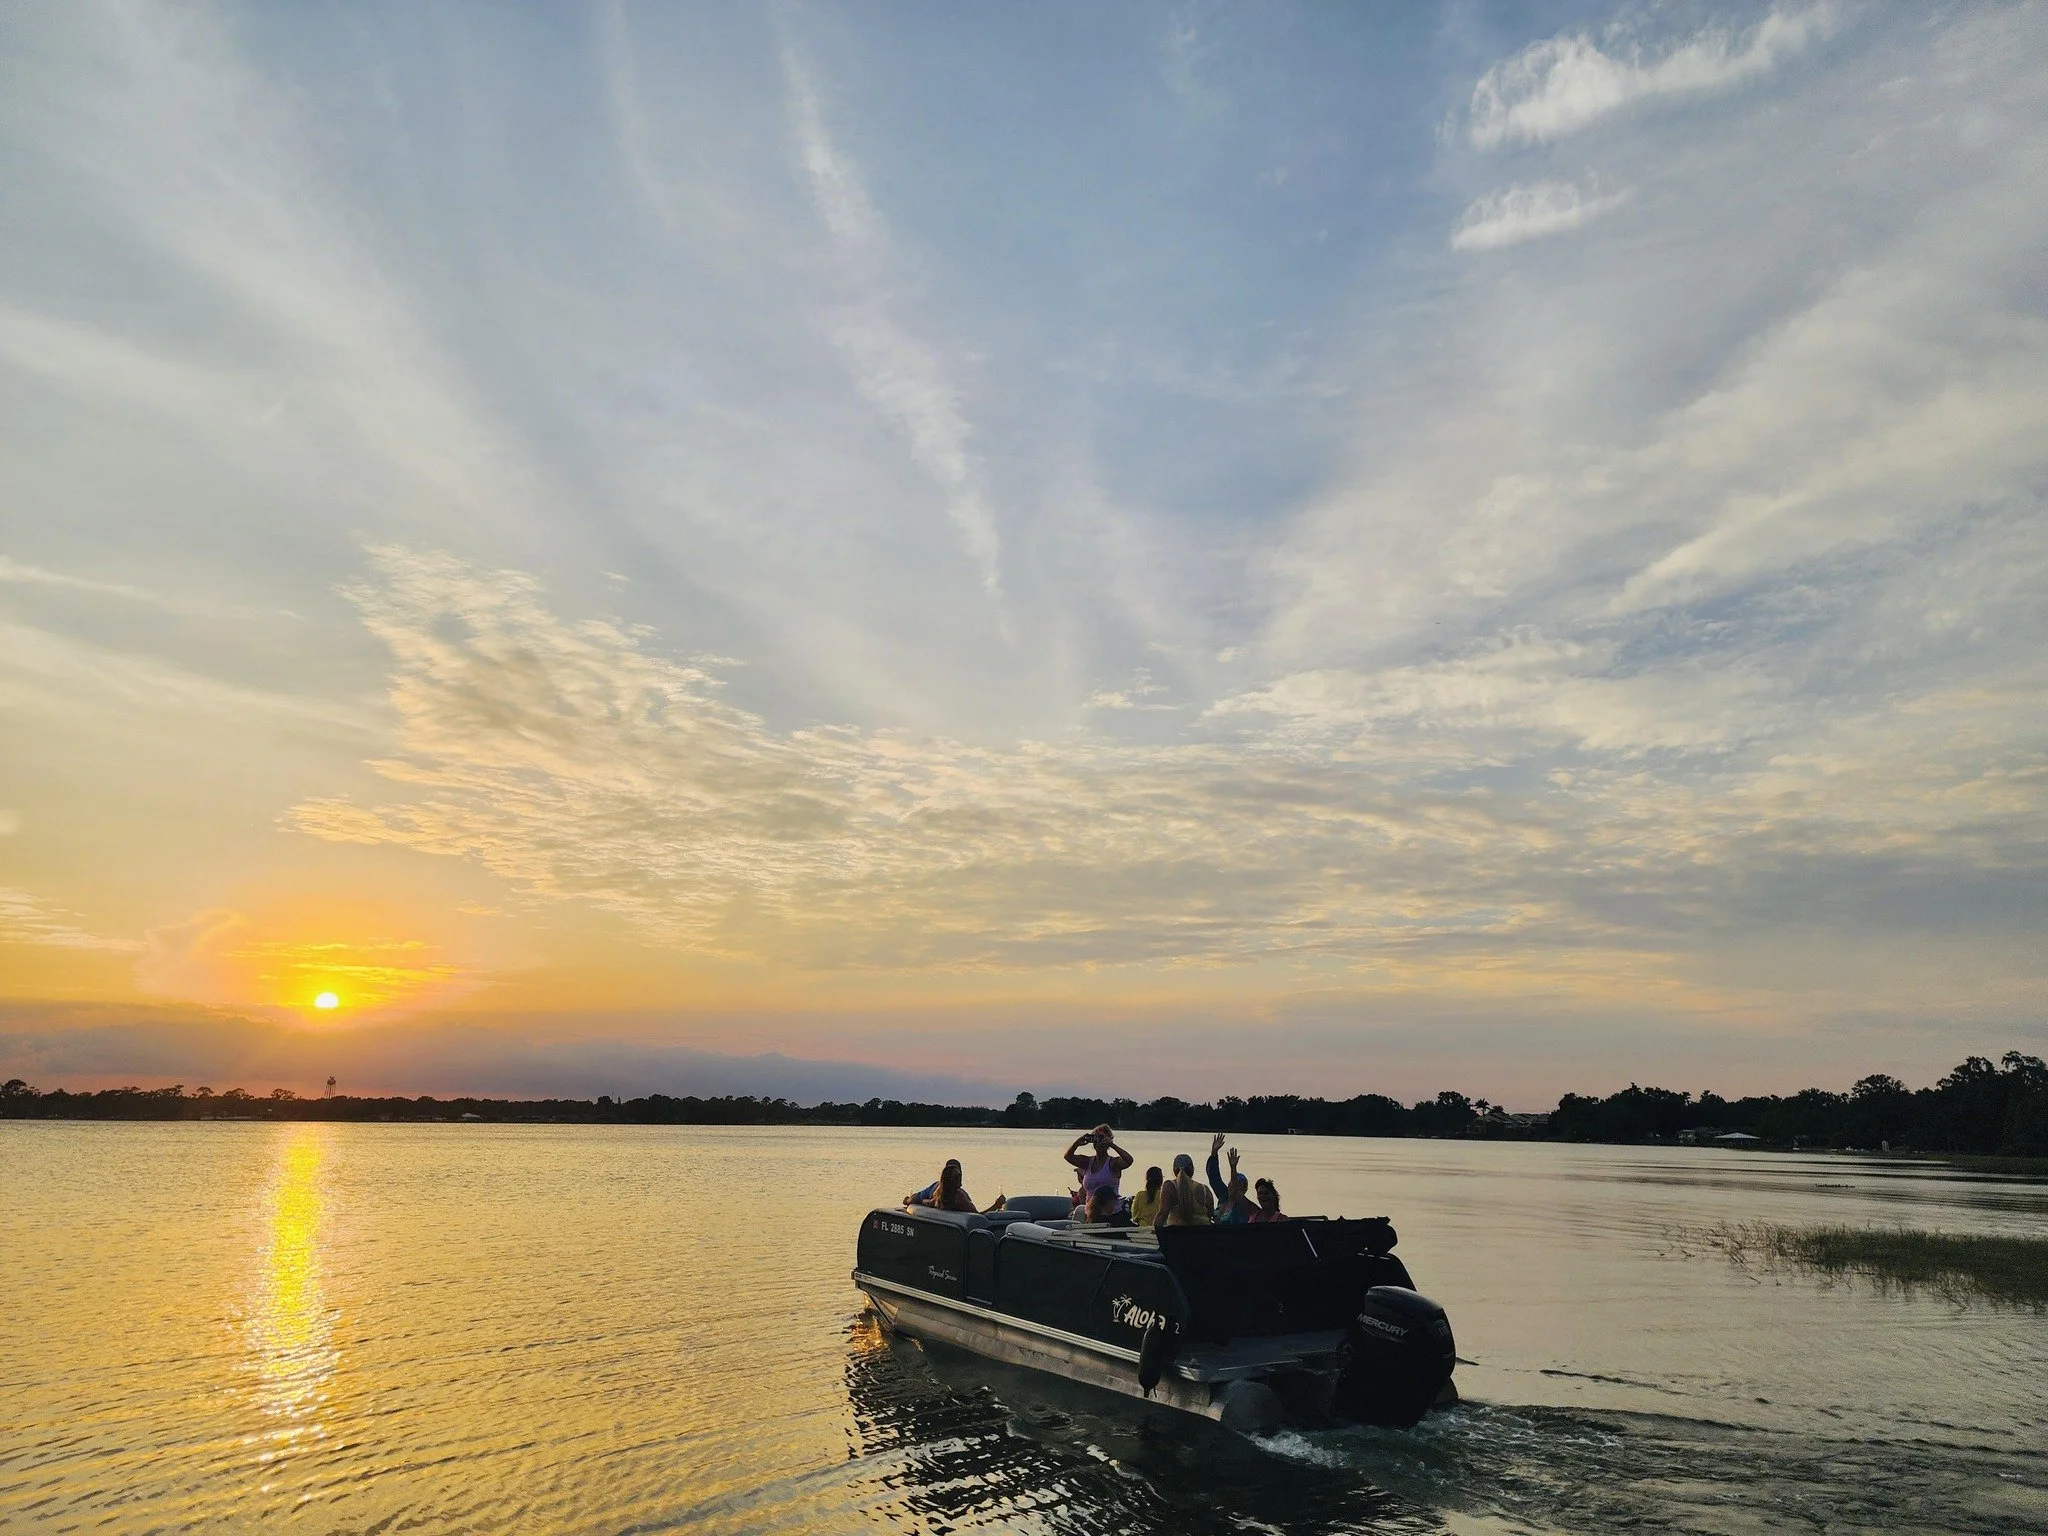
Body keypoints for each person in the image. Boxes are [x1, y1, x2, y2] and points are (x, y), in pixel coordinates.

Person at [1065, 1124, 1134, 1209]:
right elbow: (1068, 1157)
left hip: (1111, 1212)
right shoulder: (1087, 1162)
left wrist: (1112, 1145)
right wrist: (1076, 1144)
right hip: (1091, 1213)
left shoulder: (1113, 1163)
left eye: (1101, 1139)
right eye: (1096, 1139)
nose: (1098, 1143)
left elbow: (1129, 1160)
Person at [905, 1159, 1005, 1214]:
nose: (960, 1178)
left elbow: (923, 1201)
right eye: (958, 1176)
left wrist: (908, 1201)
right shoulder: (959, 1197)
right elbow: (978, 1218)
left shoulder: (938, 1196)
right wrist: (996, 1205)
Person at [1152, 1152, 1215, 1227]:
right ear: (1192, 1170)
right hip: (1203, 1235)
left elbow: (1162, 1214)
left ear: (1174, 1171)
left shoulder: (1170, 1186)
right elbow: (1211, 1214)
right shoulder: (1205, 1189)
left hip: (1178, 1235)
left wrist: (1153, 1231)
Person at [1206, 1133, 1253, 1224]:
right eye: (1231, 1183)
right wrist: (1214, 1152)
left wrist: (1233, 1168)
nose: (1232, 1186)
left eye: (1237, 1185)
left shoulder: (1243, 1205)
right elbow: (1214, 1177)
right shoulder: (1224, 1196)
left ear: (1243, 1189)